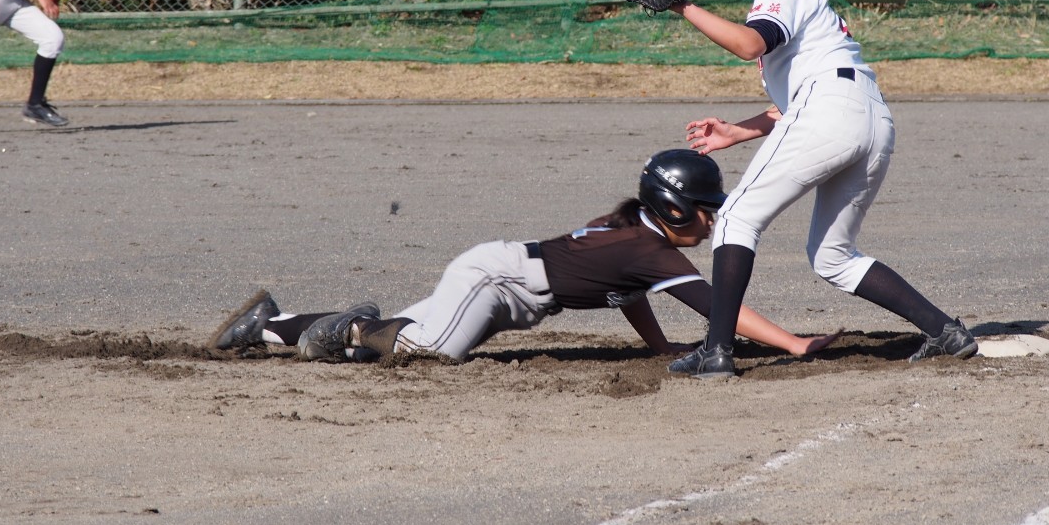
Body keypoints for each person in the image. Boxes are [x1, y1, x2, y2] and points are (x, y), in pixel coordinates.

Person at [664, 0, 977, 380]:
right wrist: (740, 130)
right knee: (833, 257)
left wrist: (682, 5)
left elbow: (750, 44)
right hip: (869, 117)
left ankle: (717, 350)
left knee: (734, 218)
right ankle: (944, 331)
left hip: (832, 110)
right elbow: (809, 97)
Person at [209, 149, 841, 363]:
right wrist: (792, 344)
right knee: (427, 352)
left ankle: (267, 323)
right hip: (496, 282)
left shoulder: (638, 239)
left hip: (504, 286)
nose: (711, 219)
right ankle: (350, 324)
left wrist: (656, 348)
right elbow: (718, 308)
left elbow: (632, 295)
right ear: (675, 209)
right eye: (706, 208)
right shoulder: (646, 245)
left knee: (396, 341)